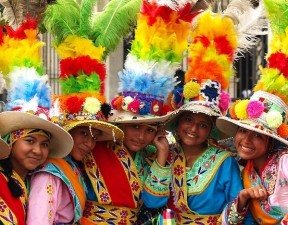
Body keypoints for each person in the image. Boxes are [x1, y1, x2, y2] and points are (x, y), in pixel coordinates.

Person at [80, 0, 200, 224]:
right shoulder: (96, 145)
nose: (142, 136)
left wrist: (162, 156)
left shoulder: (151, 157)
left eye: (149, 130)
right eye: (135, 126)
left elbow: (153, 203)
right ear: (121, 123)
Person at [141, 9, 262, 224]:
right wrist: (161, 156)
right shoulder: (166, 154)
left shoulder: (224, 162)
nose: (193, 129)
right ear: (178, 122)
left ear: (211, 130)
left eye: (203, 124)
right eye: (189, 120)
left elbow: (241, 213)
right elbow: (151, 203)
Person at [25, 0, 126, 224]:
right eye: (83, 133)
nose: (89, 143)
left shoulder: (72, 166)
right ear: (67, 130)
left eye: (94, 136)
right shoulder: (50, 174)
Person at [216, 0, 288, 224]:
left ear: (271, 140)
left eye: (257, 135)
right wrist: (243, 198)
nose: (246, 140)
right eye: (244, 131)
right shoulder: (246, 170)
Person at [0, 17, 73, 225]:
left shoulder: (28, 180)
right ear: (11, 140)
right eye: (30, 141)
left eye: (44, 144)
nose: (38, 150)